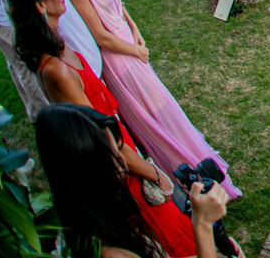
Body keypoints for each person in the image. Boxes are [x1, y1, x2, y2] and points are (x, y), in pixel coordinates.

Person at [5, 0, 203, 258]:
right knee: (179, 240)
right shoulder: (55, 70)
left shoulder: (59, 45)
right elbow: (104, 138)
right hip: (120, 173)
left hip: (126, 155)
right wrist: (154, 173)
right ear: (41, 4)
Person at [52, 0, 241, 198]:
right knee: (156, 118)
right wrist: (134, 50)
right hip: (119, 60)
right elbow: (99, 36)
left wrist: (135, 29)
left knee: (169, 112)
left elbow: (117, 4)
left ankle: (199, 164)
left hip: (130, 46)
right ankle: (188, 178)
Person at [35, 103, 232, 258]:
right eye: (112, 156)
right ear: (87, 175)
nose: (122, 162)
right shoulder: (112, 254)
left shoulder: (94, 223)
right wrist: (204, 225)